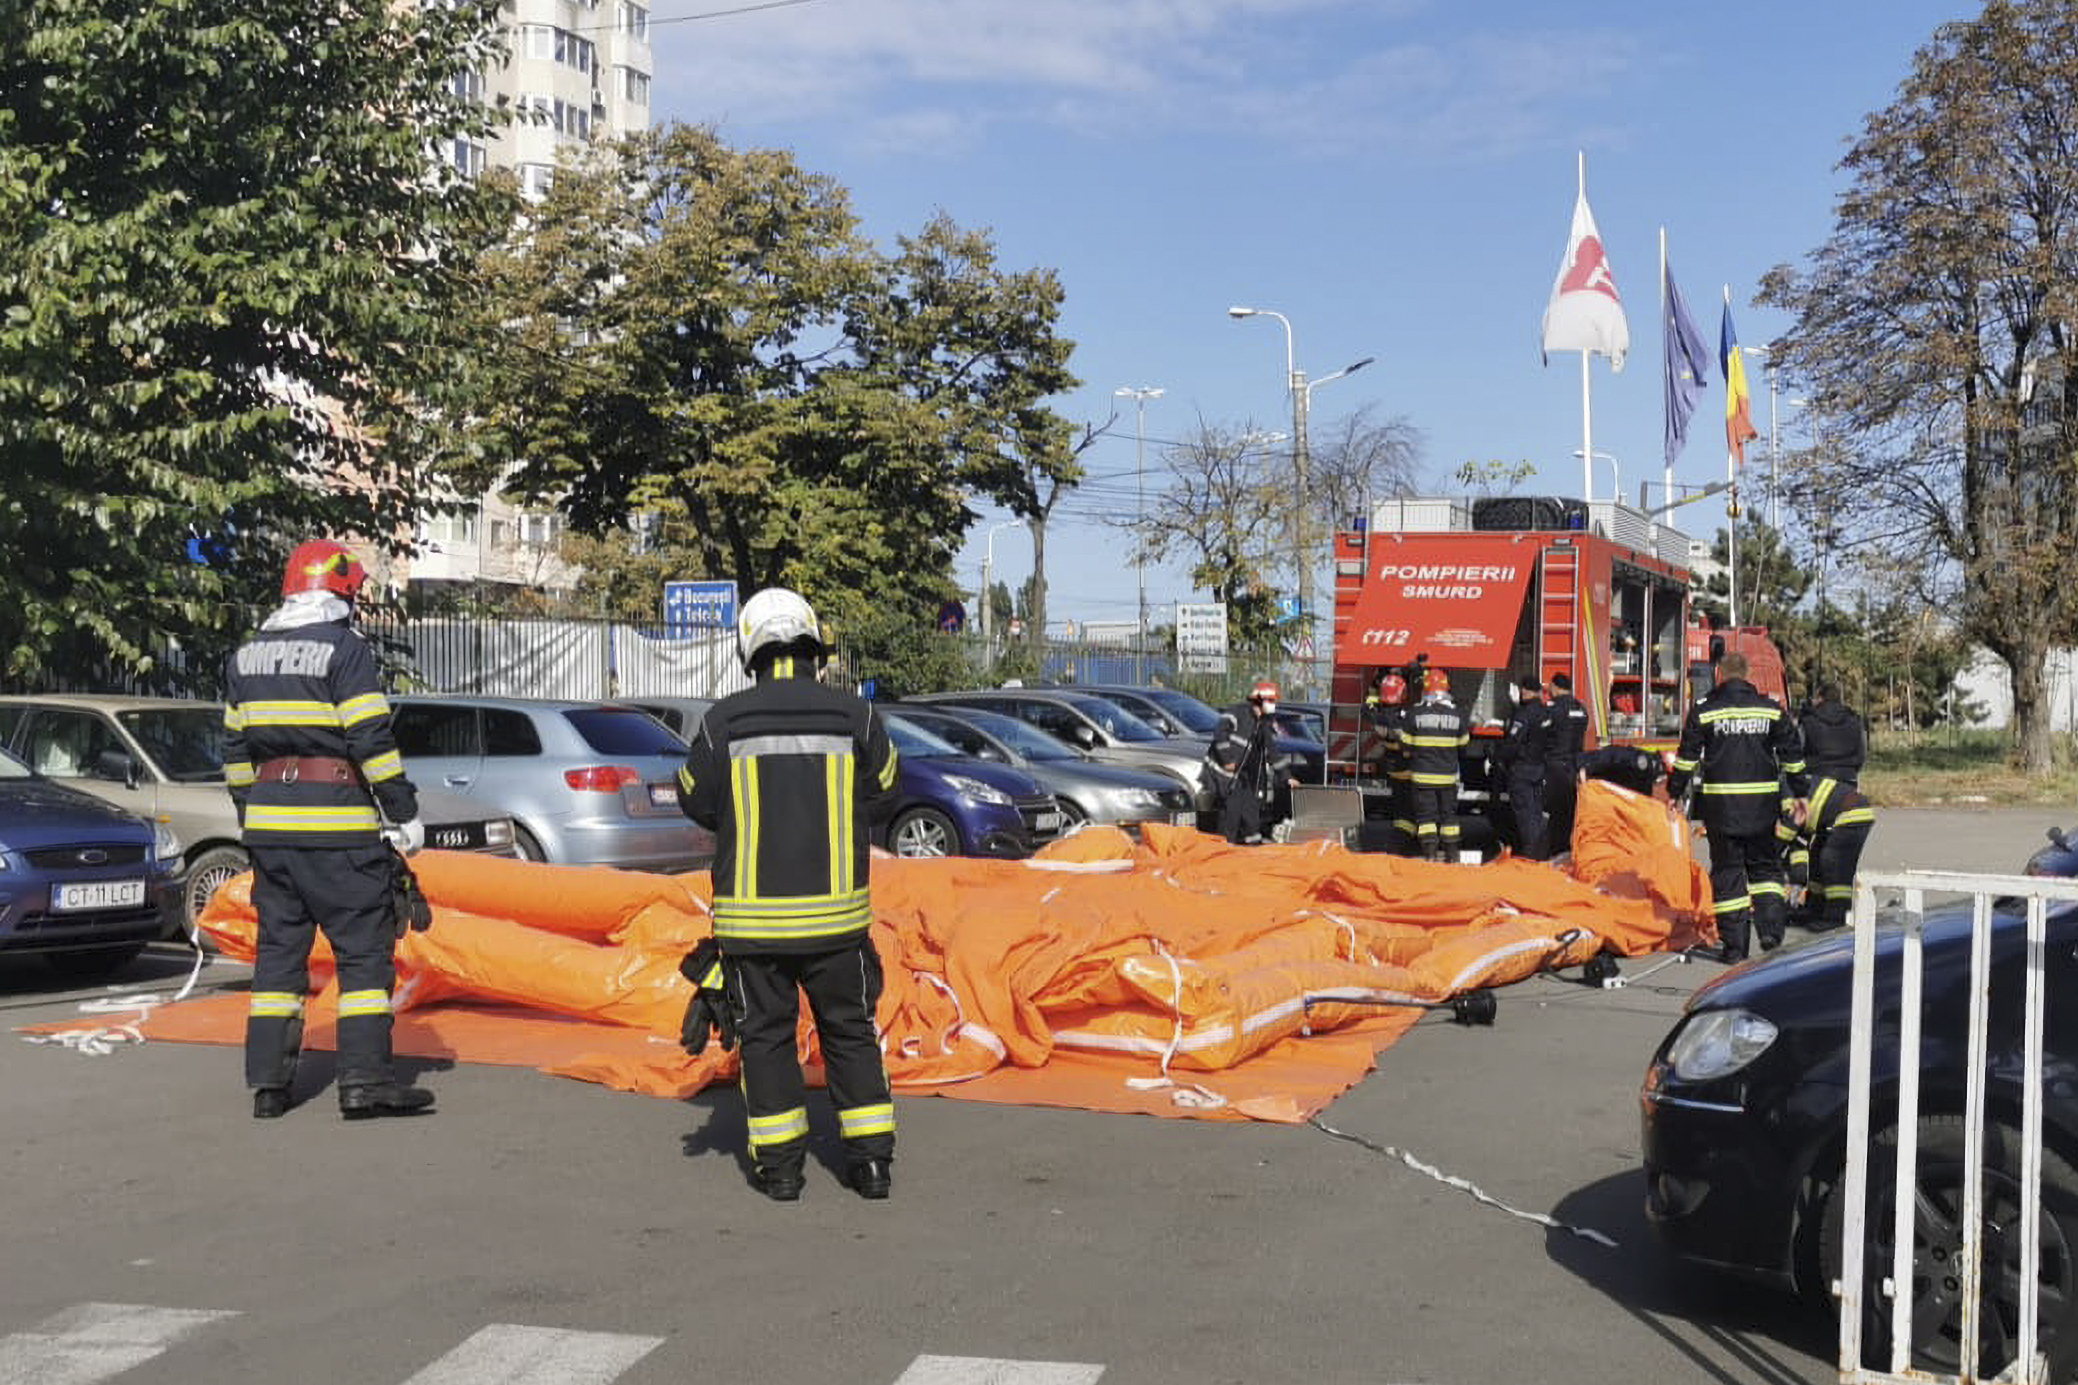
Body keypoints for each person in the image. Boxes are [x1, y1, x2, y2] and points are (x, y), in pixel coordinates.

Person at [675, 587, 901, 1202]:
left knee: (767, 1041)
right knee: (849, 1032)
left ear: (751, 646)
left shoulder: (723, 720)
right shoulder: (855, 715)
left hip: (754, 927)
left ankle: (781, 1172)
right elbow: (886, 784)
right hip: (837, 923)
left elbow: (693, 796)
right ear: (811, 644)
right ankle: (872, 1166)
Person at [222, 540, 431, 1121]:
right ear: (342, 591)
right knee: (363, 957)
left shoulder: (245, 658)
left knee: (279, 959)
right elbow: (369, 738)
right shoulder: (346, 651)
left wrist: (253, 814)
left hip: (268, 832)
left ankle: (269, 1087)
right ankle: (364, 1083)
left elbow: (235, 751)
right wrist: (402, 807)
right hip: (338, 829)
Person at [1666, 650, 1810, 962]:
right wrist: (1801, 792)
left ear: (1719, 674)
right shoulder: (1771, 711)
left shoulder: (1704, 712)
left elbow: (1687, 759)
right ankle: (1771, 931)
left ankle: (1734, 948)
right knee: (1766, 871)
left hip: (1722, 810)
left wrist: (1673, 792)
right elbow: (1793, 755)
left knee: (1728, 875)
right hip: (1762, 810)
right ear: (1746, 675)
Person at [1204, 678, 1295, 845]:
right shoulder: (1237, 713)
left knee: (1250, 815)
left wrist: (1286, 776)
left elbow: (1271, 751)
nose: (1274, 705)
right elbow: (1220, 734)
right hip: (1226, 774)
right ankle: (1223, 851)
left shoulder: (1264, 723)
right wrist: (1228, 759)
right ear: (1260, 701)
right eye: (1271, 701)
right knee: (1230, 815)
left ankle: (1250, 850)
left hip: (1246, 778)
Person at [1791, 775, 1876, 930]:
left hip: (1852, 814)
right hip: (1831, 818)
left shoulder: (1783, 792)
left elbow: (1788, 834)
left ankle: (1837, 917)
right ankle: (1814, 908)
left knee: (1833, 862)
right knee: (1816, 856)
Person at [1403, 667, 1470, 861]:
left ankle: (1430, 856)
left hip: (1422, 777)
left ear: (1425, 689)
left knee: (1426, 818)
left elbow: (1405, 745)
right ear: (1446, 688)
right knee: (1449, 816)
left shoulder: (1414, 713)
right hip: (1448, 777)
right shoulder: (1457, 715)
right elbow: (1463, 744)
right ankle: (1452, 855)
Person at [1498, 675, 1553, 859]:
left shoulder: (1524, 714)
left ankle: (1530, 855)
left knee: (1525, 815)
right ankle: (1539, 851)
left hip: (1522, 771)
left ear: (1529, 691)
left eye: (1524, 689)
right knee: (1536, 813)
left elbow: (1513, 743)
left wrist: (1497, 755)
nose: (1522, 692)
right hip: (1539, 770)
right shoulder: (1545, 713)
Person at [1363, 670, 1417, 854]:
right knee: (1412, 810)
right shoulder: (1405, 717)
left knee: (1402, 809)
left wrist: (1376, 681)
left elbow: (1368, 704)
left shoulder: (1376, 715)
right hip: (1409, 767)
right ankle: (1402, 844)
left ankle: (1401, 842)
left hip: (1393, 767)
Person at [1542, 671, 1590, 853]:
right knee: (1570, 812)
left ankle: (1556, 851)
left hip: (1555, 766)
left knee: (1556, 813)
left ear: (1555, 687)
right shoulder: (1581, 709)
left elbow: (1543, 735)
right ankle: (1569, 850)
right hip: (1574, 766)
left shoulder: (1554, 710)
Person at [1799, 682, 1868, 789]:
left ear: (1820, 698)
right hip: (1848, 779)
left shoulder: (1807, 722)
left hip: (1815, 779)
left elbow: (1796, 753)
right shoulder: (1855, 721)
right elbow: (1862, 755)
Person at [1577, 743, 1668, 797]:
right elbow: (1612, 757)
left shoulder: (1645, 782)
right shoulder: (1642, 764)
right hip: (1584, 774)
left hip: (1591, 787)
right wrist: (1587, 771)